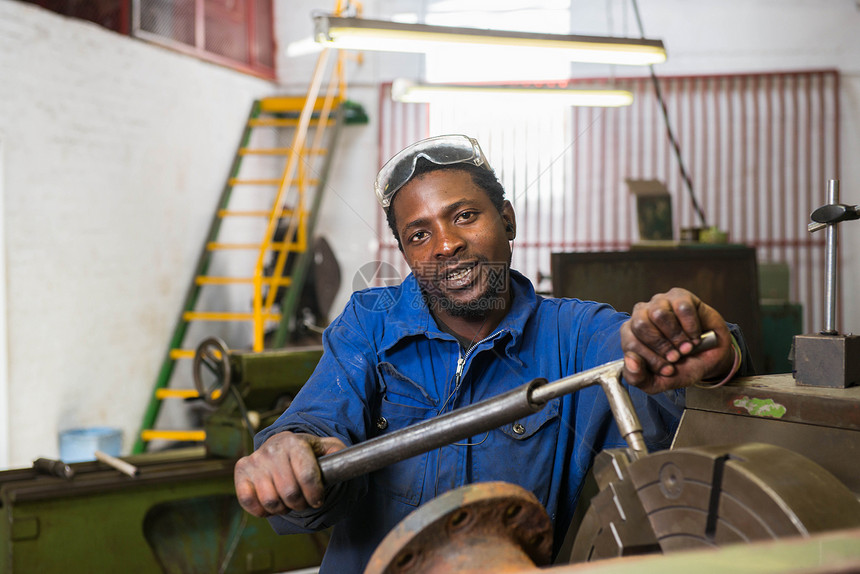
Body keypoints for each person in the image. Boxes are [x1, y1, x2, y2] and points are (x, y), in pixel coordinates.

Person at [234, 134, 750, 572]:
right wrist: (290, 454)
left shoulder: (573, 335)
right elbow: (313, 425)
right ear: (408, 254)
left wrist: (704, 346)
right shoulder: (370, 325)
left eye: (463, 216)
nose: (446, 244)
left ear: (507, 219)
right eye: (420, 234)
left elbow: (689, 370)